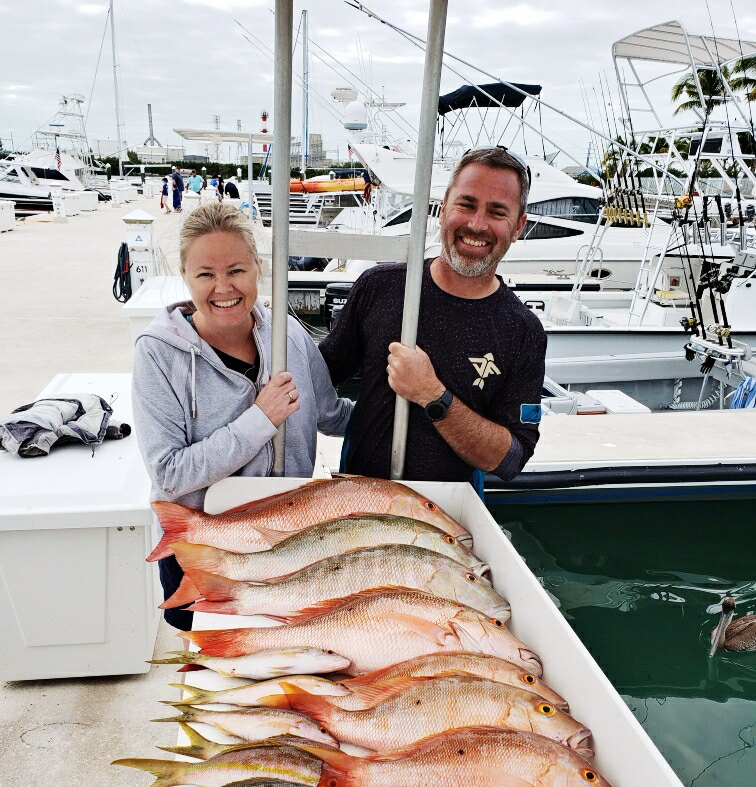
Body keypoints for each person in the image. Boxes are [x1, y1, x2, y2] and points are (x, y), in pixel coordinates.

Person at [132, 202, 353, 630]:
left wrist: (420, 407)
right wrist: (259, 420)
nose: (223, 287)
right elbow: (169, 472)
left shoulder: (289, 334)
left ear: (258, 268)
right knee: (208, 667)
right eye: (205, 274)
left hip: (285, 543)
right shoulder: (157, 354)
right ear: (184, 275)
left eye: (236, 270)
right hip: (202, 547)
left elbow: (332, 415)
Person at [318, 147, 546, 490]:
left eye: (497, 212)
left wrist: (432, 395)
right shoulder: (380, 287)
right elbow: (316, 376)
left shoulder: (523, 332)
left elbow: (511, 459)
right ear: (442, 210)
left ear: (518, 228)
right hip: (360, 503)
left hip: (448, 516)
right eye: (466, 204)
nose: (477, 224)